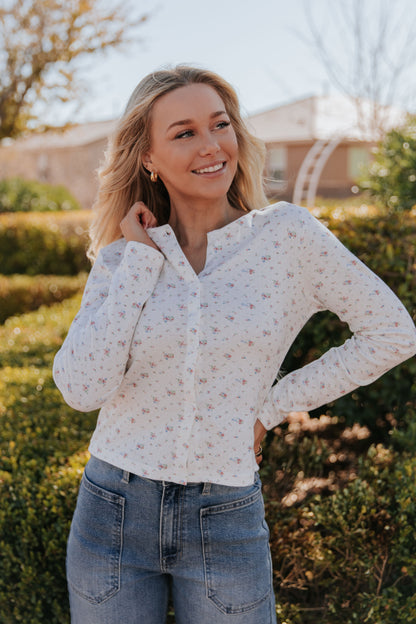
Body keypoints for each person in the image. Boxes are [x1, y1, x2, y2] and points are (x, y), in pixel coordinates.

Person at [53, 65, 416, 624]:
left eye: (220, 124)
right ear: (147, 157)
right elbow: (82, 390)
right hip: (113, 511)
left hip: (224, 513)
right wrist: (140, 260)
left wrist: (270, 408)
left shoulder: (287, 237)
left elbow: (393, 332)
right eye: (184, 132)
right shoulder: (124, 258)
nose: (211, 145)